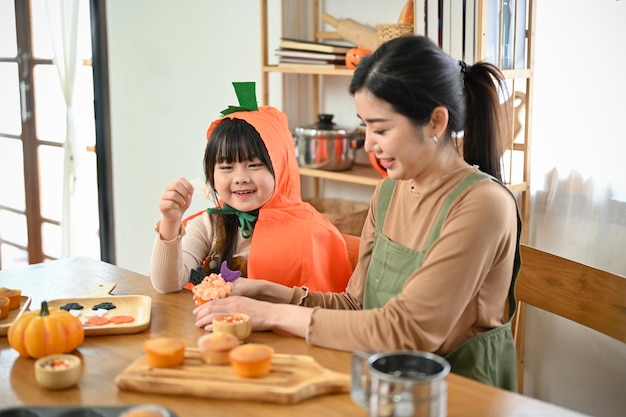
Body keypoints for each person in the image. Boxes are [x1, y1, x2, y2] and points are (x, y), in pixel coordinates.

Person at [192, 37, 522, 391]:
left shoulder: (482, 204)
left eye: (381, 129)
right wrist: (275, 294)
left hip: (460, 394)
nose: (368, 145)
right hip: (386, 382)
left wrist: (273, 315)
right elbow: (357, 304)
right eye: (365, 127)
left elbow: (407, 332)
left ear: (436, 123)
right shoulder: (389, 191)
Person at [150, 82, 354, 294]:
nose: (240, 178)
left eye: (254, 165)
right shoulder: (209, 225)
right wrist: (170, 222)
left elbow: (327, 310)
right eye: (227, 166)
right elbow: (168, 284)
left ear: (280, 166)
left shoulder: (313, 233)